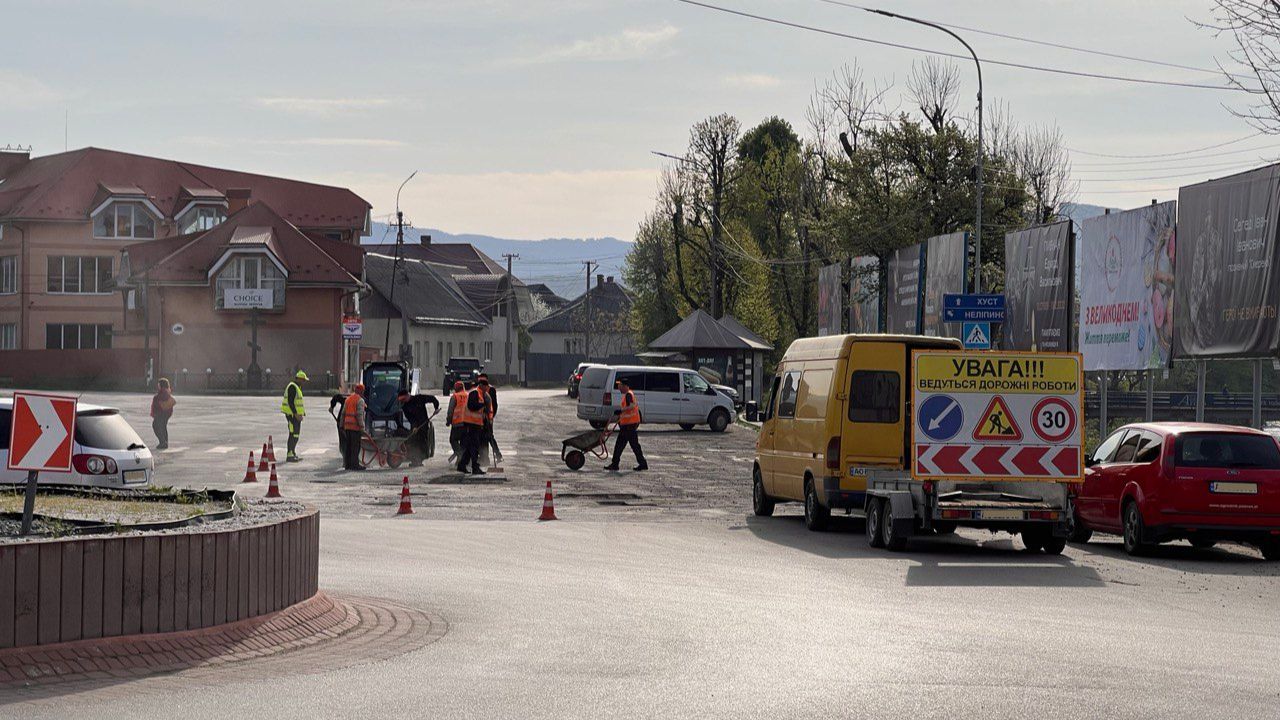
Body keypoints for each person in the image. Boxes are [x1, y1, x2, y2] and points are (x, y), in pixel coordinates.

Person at [605, 378, 647, 472]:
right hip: (627, 425)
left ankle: (616, 464)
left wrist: (621, 411)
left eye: (620, 386)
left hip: (629, 425)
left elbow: (631, 406)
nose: (619, 388)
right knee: (625, 445)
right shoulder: (627, 394)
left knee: (628, 445)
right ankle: (616, 464)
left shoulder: (628, 394)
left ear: (624, 386)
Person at [397, 390, 440, 466]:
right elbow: (411, 419)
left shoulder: (419, 398)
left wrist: (436, 408)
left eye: (403, 399)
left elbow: (433, 399)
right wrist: (414, 427)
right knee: (414, 441)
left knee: (422, 441)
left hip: (424, 424)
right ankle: (415, 460)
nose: (403, 401)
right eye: (401, 400)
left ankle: (419, 460)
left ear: (407, 395)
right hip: (416, 427)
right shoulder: (405, 407)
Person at [457, 378, 489, 475]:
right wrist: (482, 404)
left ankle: (462, 465)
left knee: (470, 446)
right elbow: (472, 406)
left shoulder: (480, 394)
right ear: (482, 386)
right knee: (474, 446)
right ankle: (475, 467)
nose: (486, 390)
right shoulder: (474, 393)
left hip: (476, 424)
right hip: (471, 424)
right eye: (486, 387)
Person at [281, 370, 308, 462]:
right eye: (303, 380)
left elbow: (297, 403)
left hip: (295, 415)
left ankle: (293, 452)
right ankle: (290, 454)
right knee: (292, 434)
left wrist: (301, 413)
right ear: (299, 379)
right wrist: (296, 413)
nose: (304, 382)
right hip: (291, 415)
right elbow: (290, 402)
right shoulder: (292, 387)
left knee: (296, 434)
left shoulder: (296, 387)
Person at [477, 373, 503, 465]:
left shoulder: (491, 390)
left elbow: (494, 405)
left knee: (488, 436)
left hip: (488, 418)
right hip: (479, 418)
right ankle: (485, 457)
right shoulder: (477, 390)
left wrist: (491, 417)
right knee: (483, 438)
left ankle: (497, 454)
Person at [341, 383, 367, 471]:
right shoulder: (360, 400)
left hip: (347, 427)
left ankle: (347, 465)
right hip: (355, 428)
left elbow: (343, 413)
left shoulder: (348, 399)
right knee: (355, 447)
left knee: (348, 446)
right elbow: (359, 415)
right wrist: (362, 428)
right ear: (361, 391)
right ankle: (355, 465)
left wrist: (341, 425)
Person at [445, 381, 467, 465]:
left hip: (457, 423)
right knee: (463, 442)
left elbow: (450, 411)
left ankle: (460, 454)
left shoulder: (455, 396)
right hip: (468, 423)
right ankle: (461, 461)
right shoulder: (468, 395)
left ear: (456, 388)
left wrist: (448, 421)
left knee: (453, 440)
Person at [150, 378, 176, 450]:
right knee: (163, 427)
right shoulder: (167, 391)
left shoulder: (162, 392)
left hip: (161, 413)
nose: (158, 385)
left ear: (162, 385)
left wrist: (156, 397)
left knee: (156, 426)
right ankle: (165, 442)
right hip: (166, 413)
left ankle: (162, 442)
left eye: (159, 384)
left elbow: (160, 401)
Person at [328, 390, 348, 460]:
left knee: (343, 441)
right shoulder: (360, 400)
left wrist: (332, 407)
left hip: (342, 422)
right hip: (347, 423)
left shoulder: (346, 399)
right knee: (346, 441)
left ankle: (346, 458)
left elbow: (336, 397)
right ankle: (346, 458)